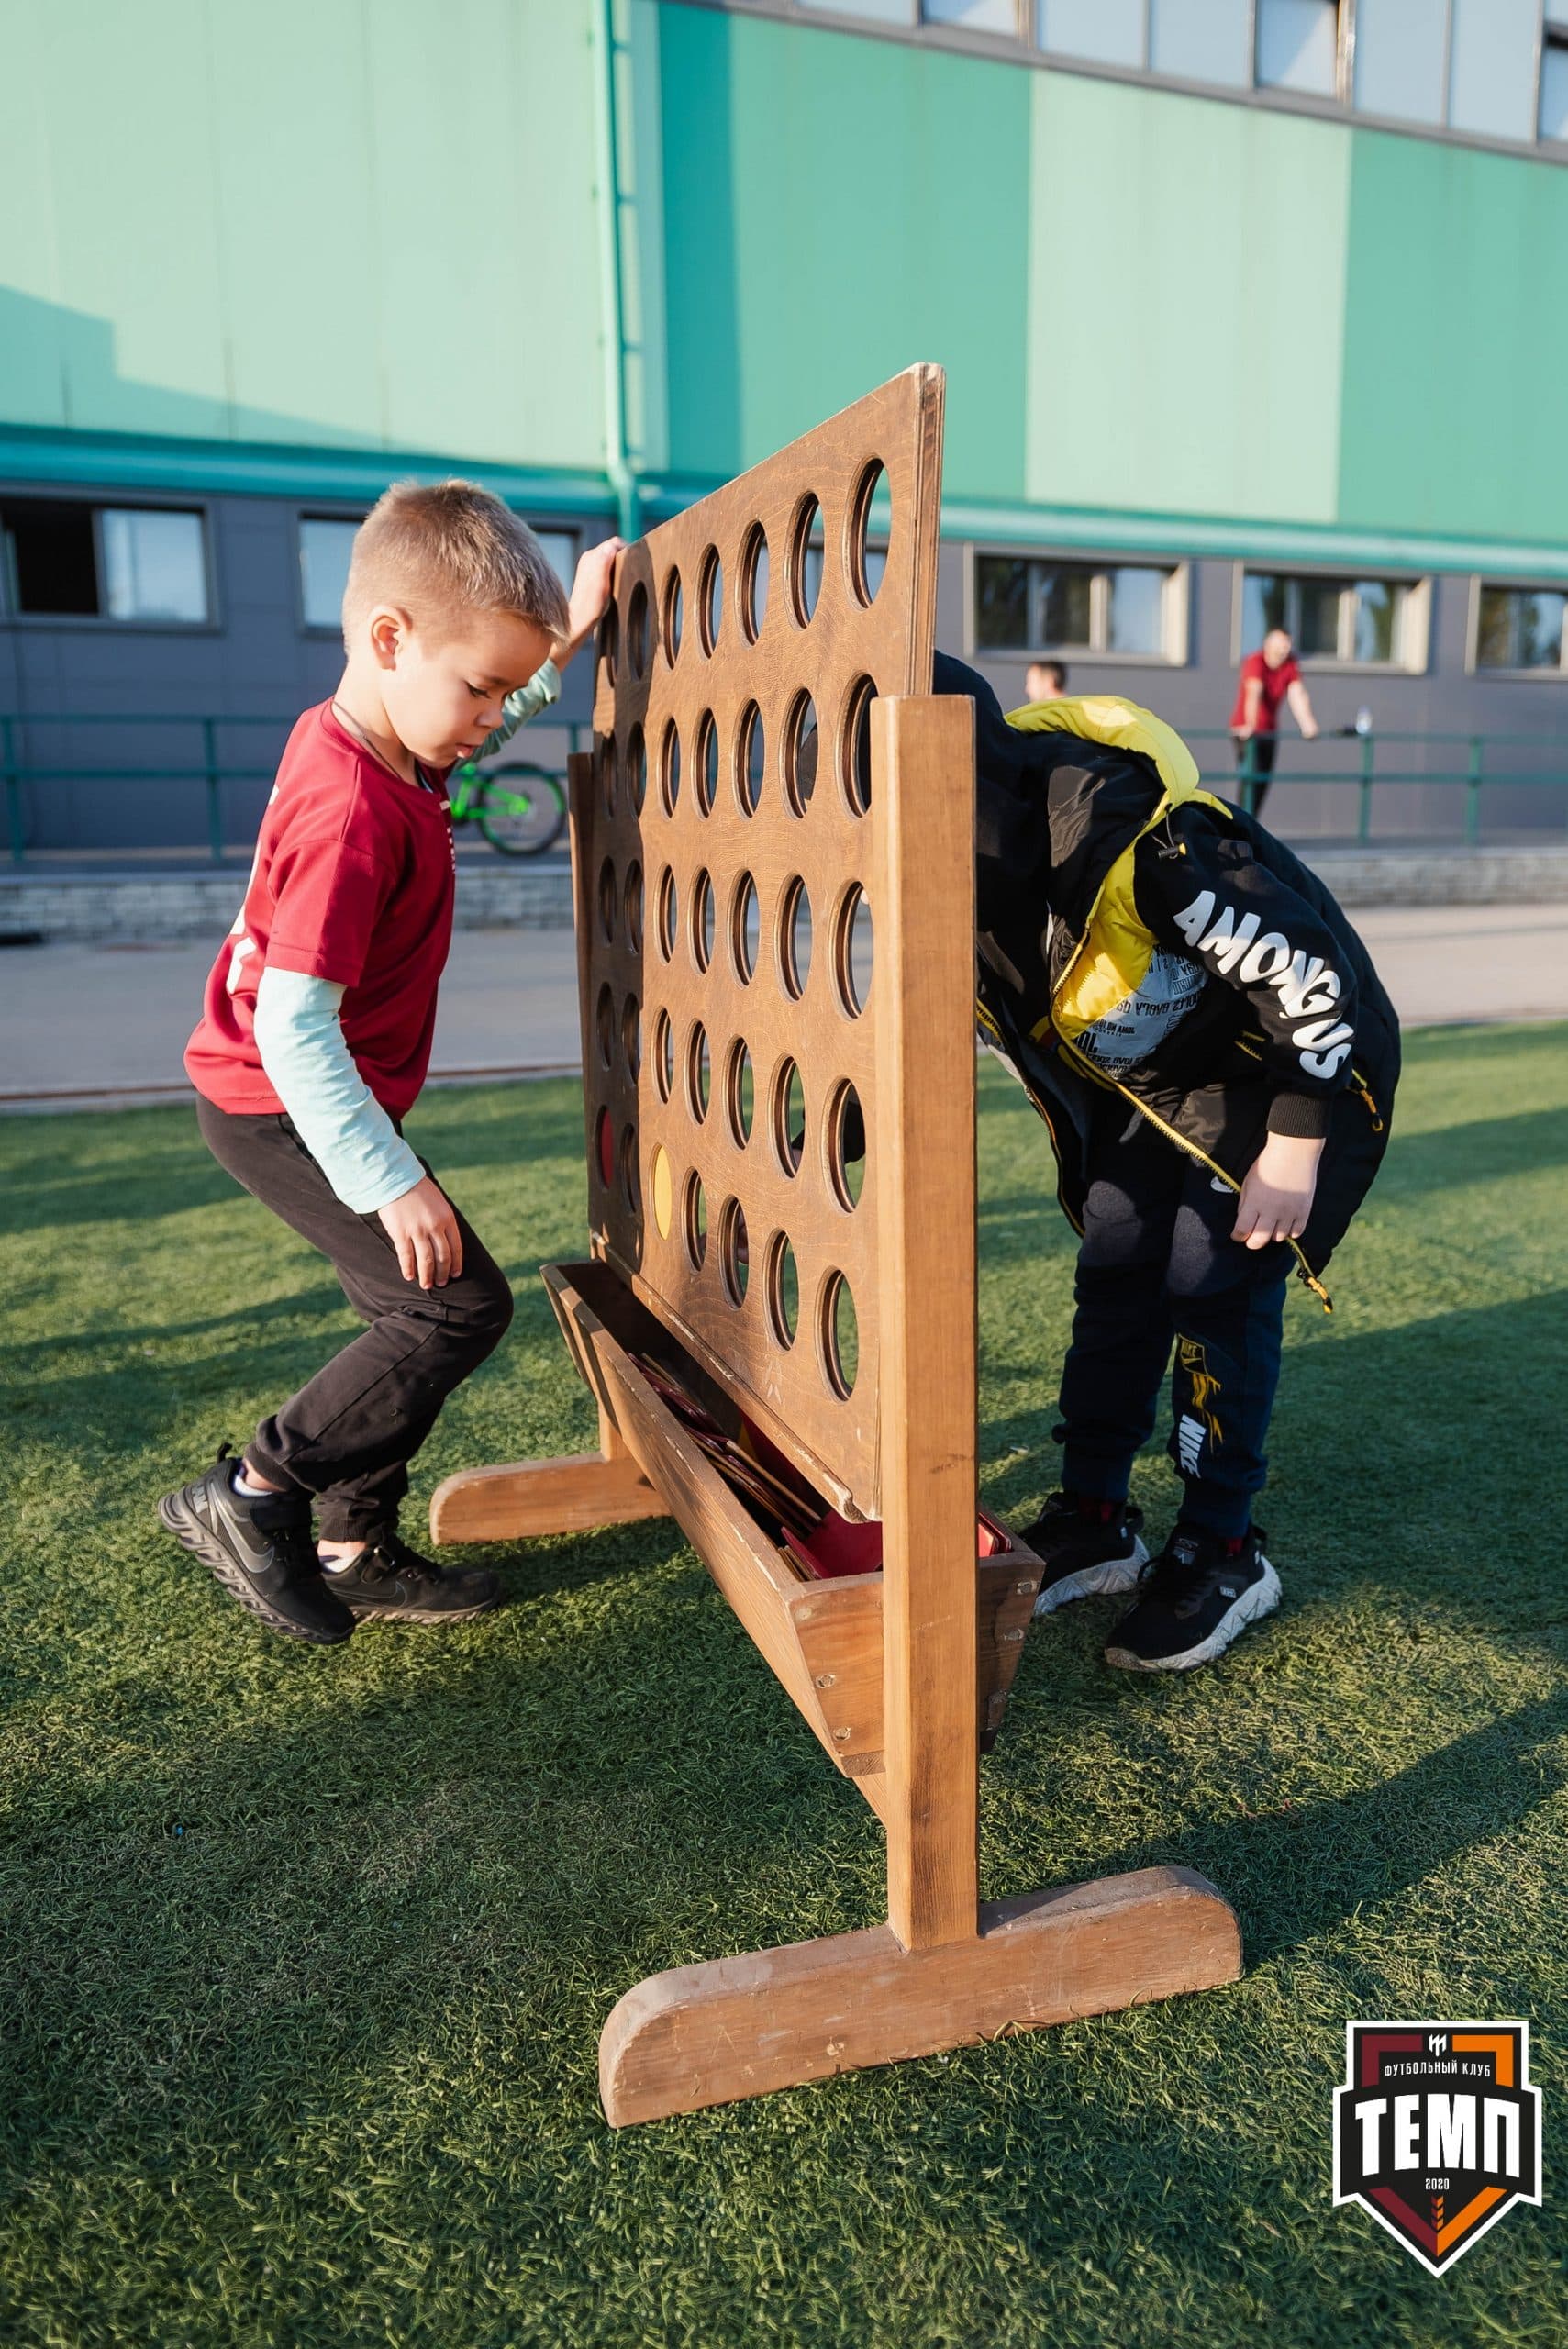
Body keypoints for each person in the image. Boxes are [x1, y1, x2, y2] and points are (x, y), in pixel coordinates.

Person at [159, 482, 623, 1644]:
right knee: (456, 1309)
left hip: (315, 1096)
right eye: (480, 691)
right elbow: (292, 1026)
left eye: (506, 693)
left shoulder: (387, 738)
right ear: (386, 639)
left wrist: (566, 639)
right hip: (281, 1102)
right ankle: (256, 1493)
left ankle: (353, 1541)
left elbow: (475, 702)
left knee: (412, 1306)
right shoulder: (350, 812)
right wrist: (387, 1175)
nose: (490, 718)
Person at [959, 653, 1398, 1672]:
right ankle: (1098, 1513)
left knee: (1212, 1284)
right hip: (1154, 1092)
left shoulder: (1149, 846)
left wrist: (1290, 1148)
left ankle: (1224, 1546)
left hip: (1279, 1079)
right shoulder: (963, 885)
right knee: (1115, 1265)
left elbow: (1307, 980)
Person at [1229, 626, 1318, 819]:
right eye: (1281, 643)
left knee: (1262, 781)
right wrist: (1251, 725)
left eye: (1288, 643)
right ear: (1268, 645)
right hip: (1246, 732)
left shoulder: (1290, 665)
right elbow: (1254, 692)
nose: (1285, 648)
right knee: (1250, 780)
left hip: (1269, 732)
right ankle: (1240, 825)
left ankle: (1250, 825)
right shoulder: (1255, 661)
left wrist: (1308, 724)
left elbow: (1298, 694)